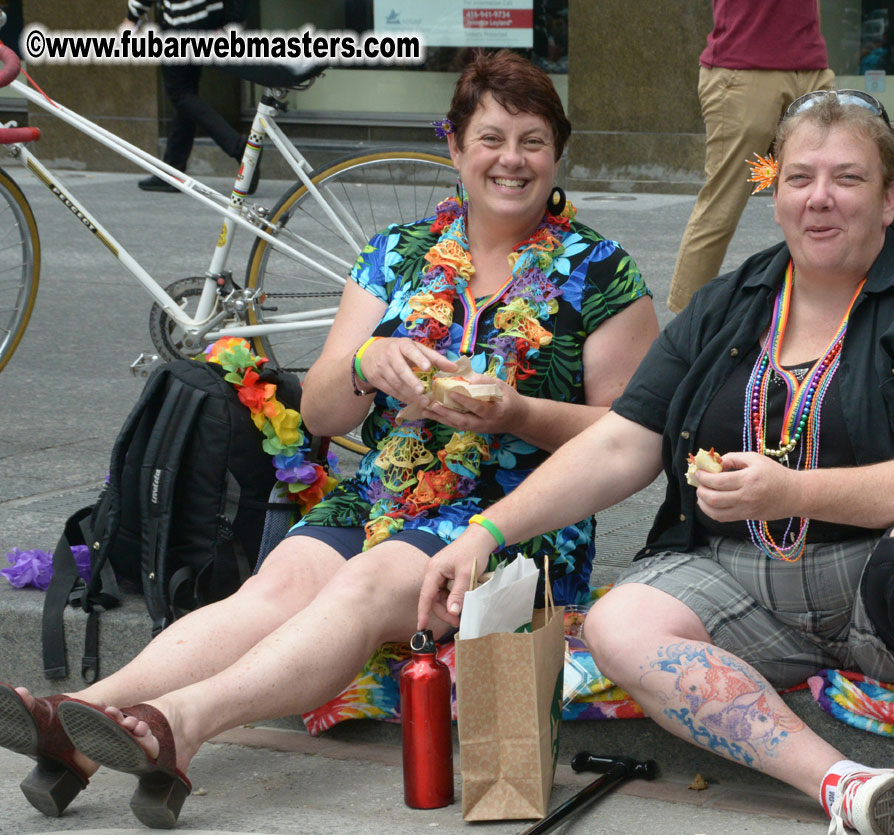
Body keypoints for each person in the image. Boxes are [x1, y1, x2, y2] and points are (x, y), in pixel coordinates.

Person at [0, 50, 658, 827]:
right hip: (385, 487)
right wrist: (366, 361)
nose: (510, 160)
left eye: (532, 141)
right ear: (453, 145)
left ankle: (179, 724)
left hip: (514, 517)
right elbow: (318, 415)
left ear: (557, 152)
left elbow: (629, 437)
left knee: (362, 582)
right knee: (275, 586)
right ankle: (73, 716)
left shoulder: (602, 273)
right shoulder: (396, 255)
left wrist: (517, 413)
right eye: (490, 138)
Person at [419, 91, 894, 835]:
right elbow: (622, 441)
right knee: (622, 620)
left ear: (888, 198)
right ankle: (845, 786)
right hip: (754, 577)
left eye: (846, 179)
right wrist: (482, 534)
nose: (819, 199)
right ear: (772, 191)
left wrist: (792, 490)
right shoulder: (728, 303)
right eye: (797, 177)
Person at [666, 0, 835, 312]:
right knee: (723, 203)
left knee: (830, 194)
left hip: (810, 66)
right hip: (743, 70)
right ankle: (685, 327)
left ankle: (829, 308)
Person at [123, 0, 256, 193]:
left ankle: (238, 147)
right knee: (186, 96)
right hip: (208, 19)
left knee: (180, 94)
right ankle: (173, 170)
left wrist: (131, 16)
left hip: (182, 22)